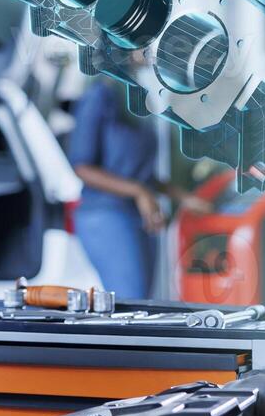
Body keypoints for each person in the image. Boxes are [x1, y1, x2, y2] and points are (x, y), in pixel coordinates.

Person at [68, 78, 208, 298]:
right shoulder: (99, 96)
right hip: (107, 215)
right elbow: (82, 167)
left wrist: (184, 197)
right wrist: (139, 192)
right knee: (132, 303)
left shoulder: (137, 95)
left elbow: (141, 175)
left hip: (139, 217)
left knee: (144, 301)